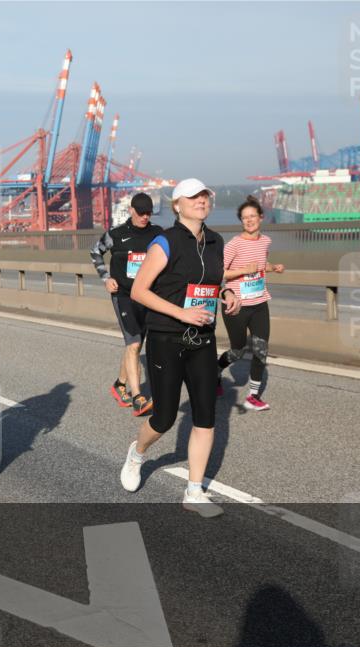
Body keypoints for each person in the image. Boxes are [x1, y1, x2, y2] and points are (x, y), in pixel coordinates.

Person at [119, 178, 240, 518]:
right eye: (193, 197)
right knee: (164, 418)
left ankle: (194, 491)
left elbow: (212, 282)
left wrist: (226, 293)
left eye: (205, 196)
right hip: (166, 338)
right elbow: (139, 291)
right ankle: (138, 453)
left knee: (205, 416)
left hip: (201, 339)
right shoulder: (166, 241)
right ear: (177, 205)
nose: (201, 201)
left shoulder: (215, 241)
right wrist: (180, 312)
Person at [90, 193, 162, 416]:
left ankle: (119, 385)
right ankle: (138, 397)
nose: (145, 217)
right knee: (133, 345)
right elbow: (95, 252)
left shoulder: (158, 234)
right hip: (123, 296)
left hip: (148, 296)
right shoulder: (116, 235)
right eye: (141, 212)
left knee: (137, 344)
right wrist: (106, 278)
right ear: (131, 210)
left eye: (149, 213)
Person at [218, 196, 284, 411]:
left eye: (252, 216)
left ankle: (253, 396)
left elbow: (261, 262)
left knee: (261, 349)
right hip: (236, 305)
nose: (249, 221)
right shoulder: (234, 244)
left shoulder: (265, 241)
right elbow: (218, 272)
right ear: (241, 221)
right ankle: (214, 372)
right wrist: (243, 271)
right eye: (245, 218)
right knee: (237, 351)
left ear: (261, 218)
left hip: (259, 303)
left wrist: (273, 267)